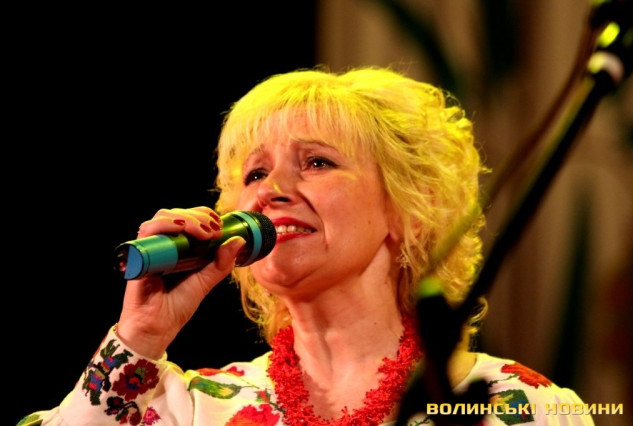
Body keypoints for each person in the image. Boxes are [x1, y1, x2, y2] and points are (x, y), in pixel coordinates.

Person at [19, 66, 594, 425]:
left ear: (408, 209)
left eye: (317, 162)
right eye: (255, 173)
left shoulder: (522, 409)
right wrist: (140, 338)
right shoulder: (188, 408)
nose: (271, 190)